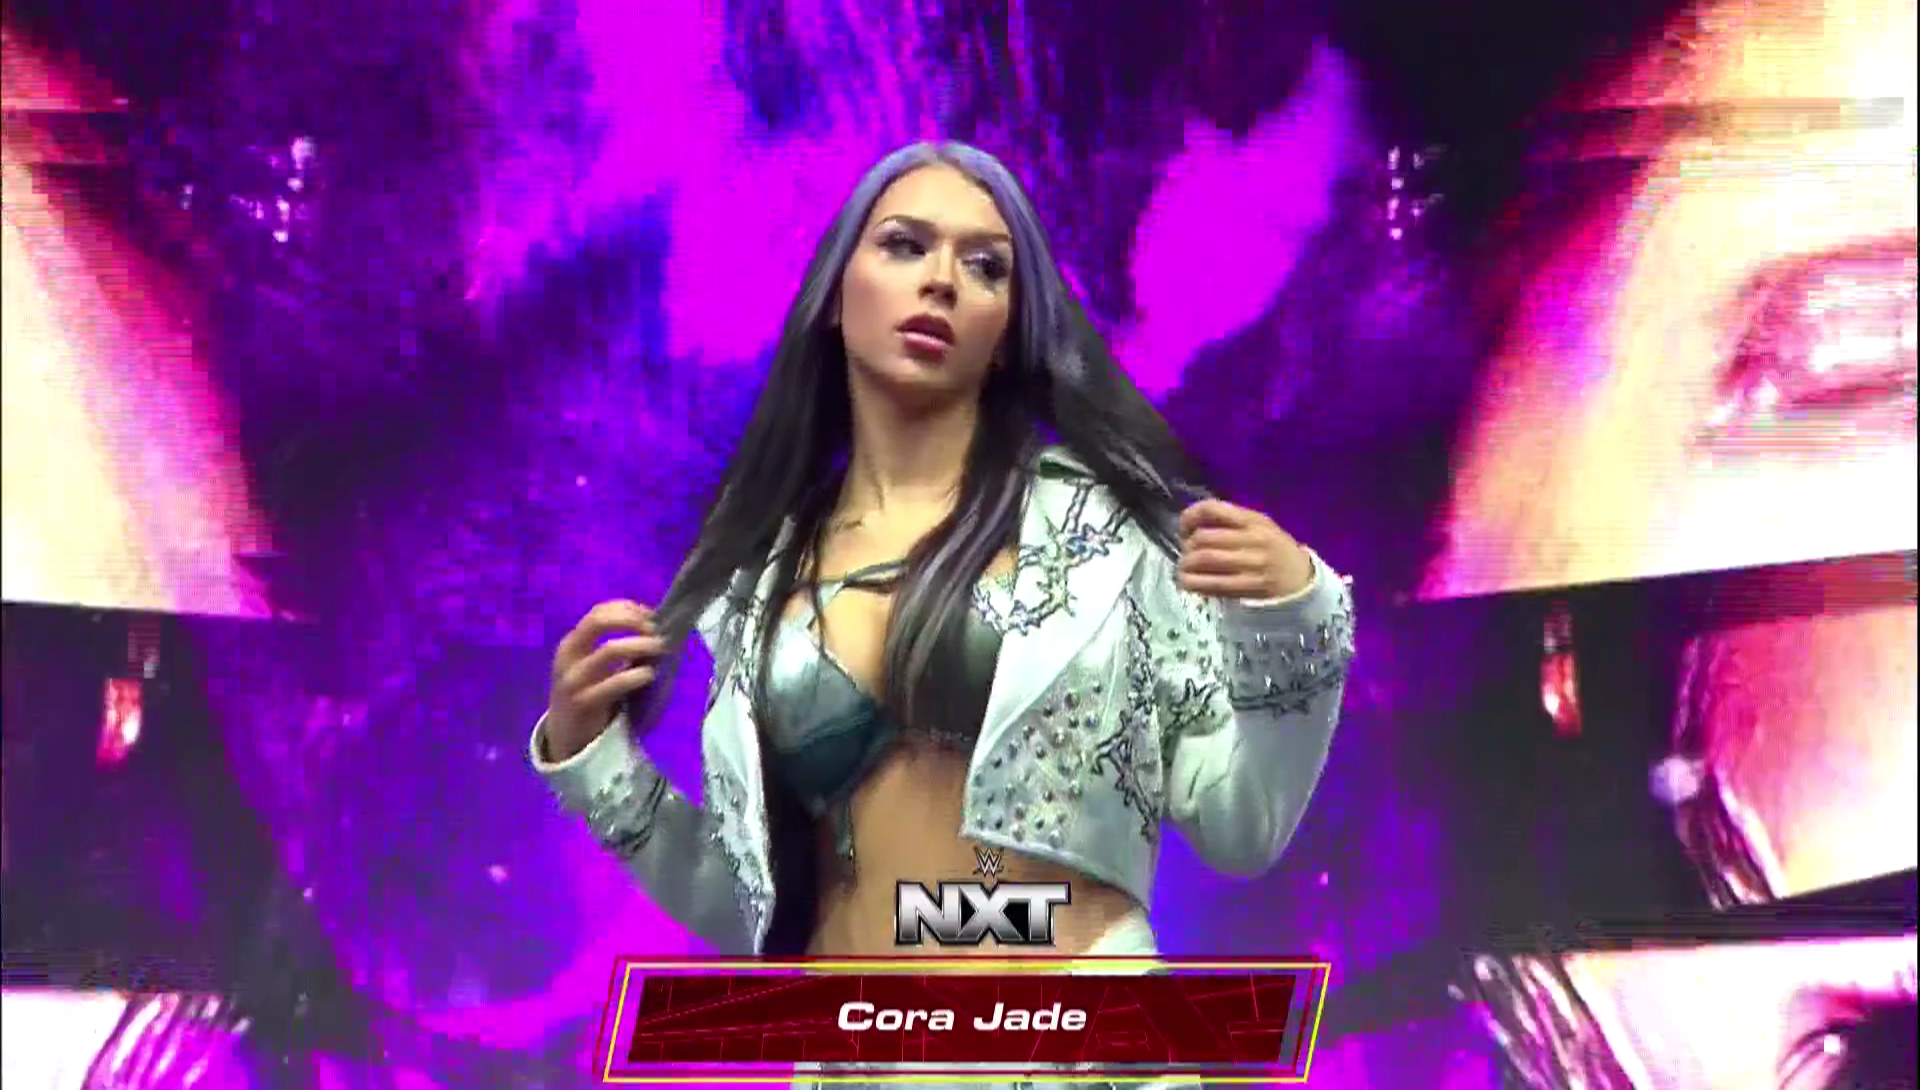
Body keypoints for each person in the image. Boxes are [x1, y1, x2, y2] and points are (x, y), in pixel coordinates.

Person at [528, 141, 1352, 986]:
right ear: (835, 295)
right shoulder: (759, 580)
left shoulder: (1103, 535)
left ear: (1007, 334)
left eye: (986, 266)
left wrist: (1294, 615)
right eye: (904, 245)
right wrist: (593, 760)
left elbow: (1242, 824)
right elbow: (752, 910)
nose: (942, 282)